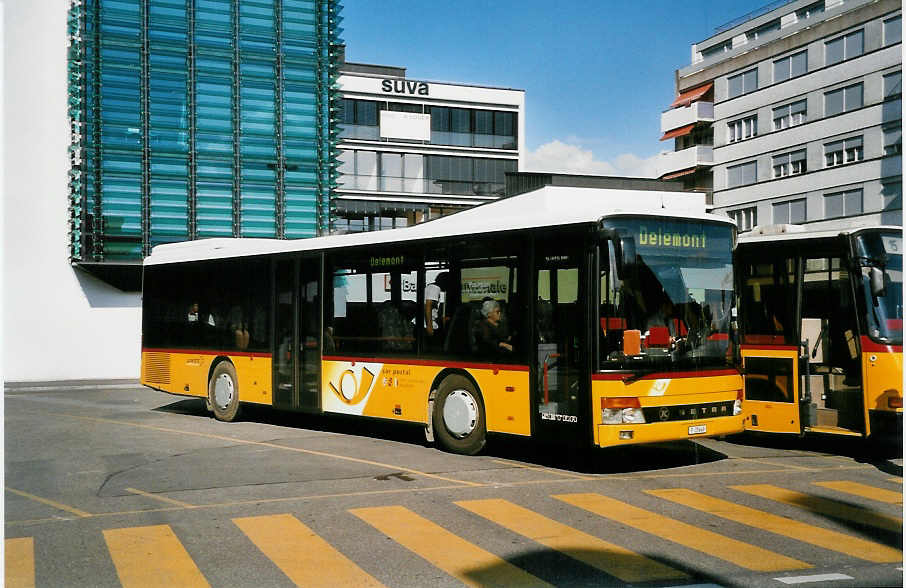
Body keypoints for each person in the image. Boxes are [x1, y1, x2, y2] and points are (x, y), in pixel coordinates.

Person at [424, 271, 449, 338]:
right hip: (427, 325)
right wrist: (429, 326)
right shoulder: (435, 288)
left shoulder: (432, 287)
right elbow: (428, 306)